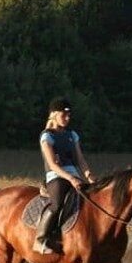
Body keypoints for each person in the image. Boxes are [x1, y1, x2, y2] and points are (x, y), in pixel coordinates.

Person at [35, 97, 95, 255]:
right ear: (54, 114)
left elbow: (80, 159)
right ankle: (41, 239)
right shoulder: (46, 136)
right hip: (56, 176)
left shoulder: (72, 135)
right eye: (64, 115)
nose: (68, 119)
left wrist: (88, 176)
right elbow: (53, 165)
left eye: (69, 115)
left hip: (74, 175)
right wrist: (71, 178)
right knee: (57, 204)